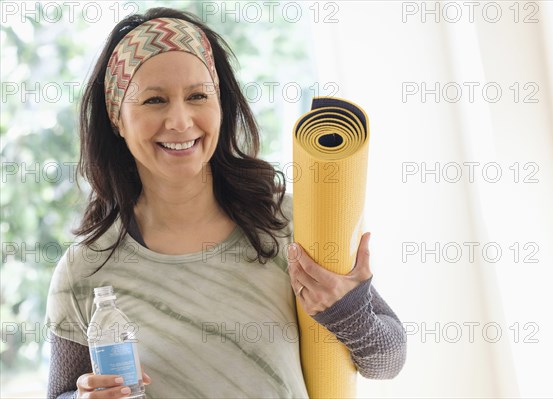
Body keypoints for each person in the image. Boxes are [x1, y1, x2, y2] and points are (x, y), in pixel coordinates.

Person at [45, 7, 407, 399]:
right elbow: (62, 393)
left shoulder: (285, 222)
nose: (181, 121)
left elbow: (387, 361)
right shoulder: (85, 271)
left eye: (198, 95)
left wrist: (348, 310)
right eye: (154, 100)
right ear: (117, 117)